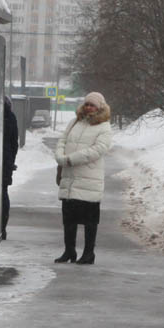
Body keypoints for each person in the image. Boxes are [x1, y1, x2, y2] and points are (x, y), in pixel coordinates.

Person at [54, 91, 113, 265]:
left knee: (90, 221)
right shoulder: (75, 122)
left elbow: (98, 149)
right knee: (68, 219)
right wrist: (60, 156)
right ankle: (69, 251)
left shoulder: (104, 127)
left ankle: (89, 254)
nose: (88, 107)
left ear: (99, 107)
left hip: (89, 181)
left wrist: (72, 159)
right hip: (70, 179)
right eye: (87, 104)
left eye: (92, 105)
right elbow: (62, 141)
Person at [1, 96, 19, 239]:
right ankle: (2, 227)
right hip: (5, 162)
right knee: (3, 193)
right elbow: (14, 143)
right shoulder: (10, 117)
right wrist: (10, 161)